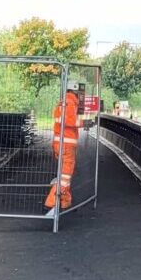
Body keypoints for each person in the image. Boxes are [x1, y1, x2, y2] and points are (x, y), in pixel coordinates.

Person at [45, 82, 84, 211]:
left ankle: (65, 203)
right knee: (65, 177)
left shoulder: (63, 102)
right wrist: (86, 122)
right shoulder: (70, 102)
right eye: (79, 92)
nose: (81, 94)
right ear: (75, 91)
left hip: (61, 143)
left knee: (64, 175)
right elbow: (71, 121)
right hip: (67, 144)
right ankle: (52, 203)